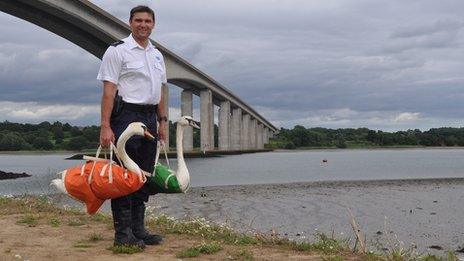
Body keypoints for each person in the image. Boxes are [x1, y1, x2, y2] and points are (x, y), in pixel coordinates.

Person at [97, 5, 168, 249]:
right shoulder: (117, 51)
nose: (143, 25)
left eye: (148, 21)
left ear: (153, 24)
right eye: (138, 20)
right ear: (130, 22)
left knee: (143, 175)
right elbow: (108, 91)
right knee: (124, 176)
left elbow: (162, 90)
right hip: (126, 115)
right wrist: (105, 126)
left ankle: (139, 229)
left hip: (150, 117)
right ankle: (123, 234)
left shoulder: (157, 55)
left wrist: (163, 121)